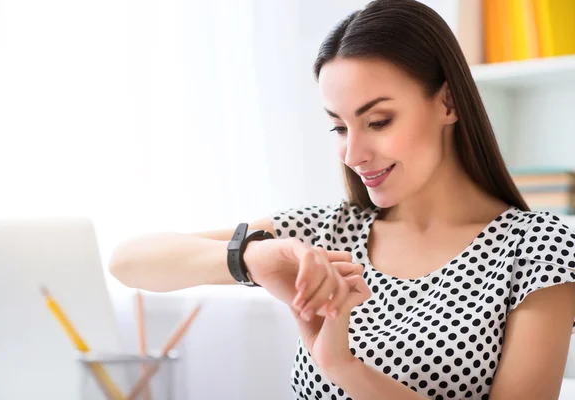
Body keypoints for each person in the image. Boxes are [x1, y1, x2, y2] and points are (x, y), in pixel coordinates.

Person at [108, 0, 575, 399]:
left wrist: (346, 370)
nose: (352, 153)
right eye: (338, 126)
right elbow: (128, 261)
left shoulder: (539, 249)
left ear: (448, 104)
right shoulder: (327, 233)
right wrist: (252, 259)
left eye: (378, 121)